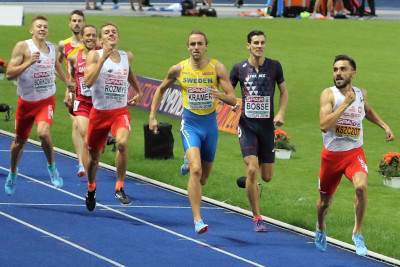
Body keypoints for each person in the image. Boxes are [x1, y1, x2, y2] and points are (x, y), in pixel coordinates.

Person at [149, 30, 237, 234]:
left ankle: (188, 164)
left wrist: (221, 96)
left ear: (206, 46)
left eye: (200, 44)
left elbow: (233, 98)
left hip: (210, 127)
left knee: (203, 178)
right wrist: (152, 116)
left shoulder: (217, 67)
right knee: (197, 170)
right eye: (192, 44)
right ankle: (198, 220)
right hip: (190, 125)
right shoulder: (179, 69)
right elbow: (161, 89)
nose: (196, 47)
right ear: (187, 47)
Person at [315, 55, 394, 256]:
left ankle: (357, 233)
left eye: (343, 69)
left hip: (354, 153)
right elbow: (324, 126)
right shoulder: (328, 94)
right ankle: (321, 224)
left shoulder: (360, 93)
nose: (338, 73)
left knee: (361, 187)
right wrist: (344, 105)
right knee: (324, 203)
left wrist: (384, 126)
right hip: (332, 156)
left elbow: (367, 111)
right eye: (335, 69)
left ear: (353, 73)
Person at [4, 15, 73, 195]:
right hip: (26, 103)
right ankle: (12, 173)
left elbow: (56, 66)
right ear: (31, 30)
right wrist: (28, 62)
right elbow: (9, 74)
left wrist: (66, 81)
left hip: (45, 101)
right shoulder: (23, 47)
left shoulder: (51, 47)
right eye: (39, 26)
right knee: (19, 142)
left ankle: (52, 167)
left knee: (43, 133)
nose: (42, 29)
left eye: (45, 27)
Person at [230, 30, 289, 232]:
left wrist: (280, 113)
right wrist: (232, 103)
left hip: (266, 127)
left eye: (262, 42)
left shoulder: (274, 66)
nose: (259, 46)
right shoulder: (238, 68)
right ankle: (257, 217)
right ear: (248, 45)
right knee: (252, 168)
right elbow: (229, 92)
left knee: (266, 177)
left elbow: (284, 91)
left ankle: (248, 183)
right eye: (255, 42)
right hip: (247, 125)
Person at [84, 22, 142, 211]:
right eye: (106, 33)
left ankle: (119, 187)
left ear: (118, 37)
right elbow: (88, 82)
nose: (110, 35)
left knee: (123, 144)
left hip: (119, 112)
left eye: (113, 32)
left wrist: (138, 91)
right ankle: (91, 188)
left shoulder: (126, 56)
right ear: (101, 39)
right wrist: (102, 60)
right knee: (93, 159)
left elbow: (129, 72)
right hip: (99, 114)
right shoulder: (94, 55)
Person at [58, 10, 87, 178]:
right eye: (74, 21)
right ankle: (81, 164)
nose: (76, 23)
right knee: (76, 124)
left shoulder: (91, 43)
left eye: (80, 21)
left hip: (91, 91)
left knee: (88, 128)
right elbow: (58, 64)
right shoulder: (64, 44)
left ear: (84, 24)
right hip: (74, 92)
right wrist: (66, 85)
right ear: (69, 23)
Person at [68, 24, 98, 163]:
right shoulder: (74, 58)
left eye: (93, 35)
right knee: (86, 137)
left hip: (99, 103)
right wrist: (68, 94)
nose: (91, 38)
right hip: (82, 102)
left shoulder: (102, 55)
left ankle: (90, 163)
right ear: (81, 37)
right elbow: (73, 79)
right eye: (88, 35)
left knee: (96, 143)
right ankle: (85, 166)